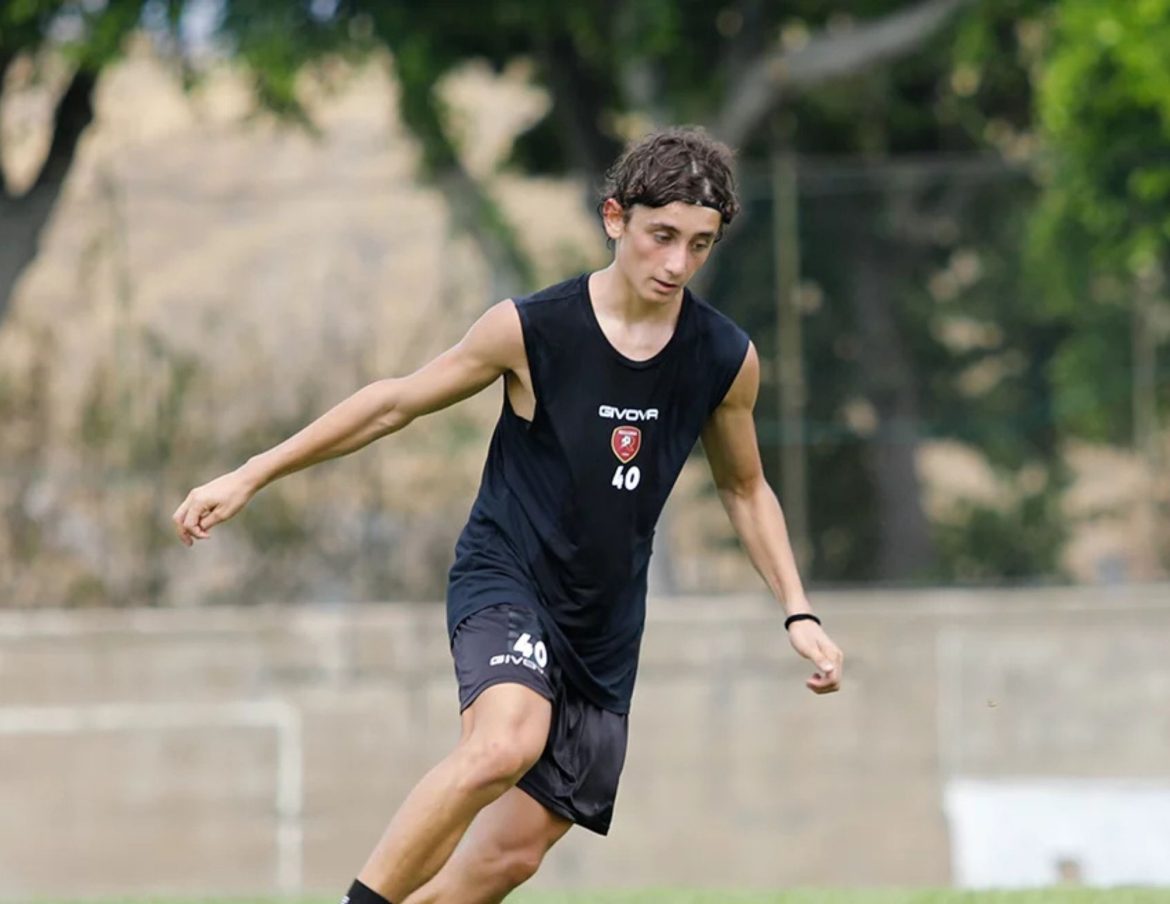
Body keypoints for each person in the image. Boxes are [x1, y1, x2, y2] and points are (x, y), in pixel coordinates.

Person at [173, 126, 844, 904]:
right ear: (614, 217)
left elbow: (745, 488)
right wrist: (251, 474)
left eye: (699, 244)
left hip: (604, 624)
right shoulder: (533, 328)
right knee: (503, 745)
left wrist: (798, 610)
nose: (677, 263)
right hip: (507, 578)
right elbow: (393, 404)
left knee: (509, 859)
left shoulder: (723, 356)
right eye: (661, 236)